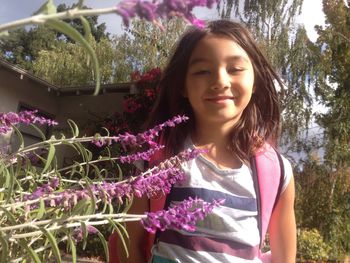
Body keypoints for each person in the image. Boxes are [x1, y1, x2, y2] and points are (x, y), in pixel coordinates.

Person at [110, 19, 296, 263]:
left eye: (235, 69)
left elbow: (285, 257)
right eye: (201, 71)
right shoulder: (158, 158)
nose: (220, 81)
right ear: (182, 86)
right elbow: (128, 244)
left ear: (256, 81)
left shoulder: (277, 171)